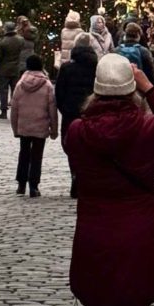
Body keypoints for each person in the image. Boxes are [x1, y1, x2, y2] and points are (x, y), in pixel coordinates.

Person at [63, 53, 154, 306]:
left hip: (95, 239)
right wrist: (150, 88)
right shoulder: (148, 130)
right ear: (132, 88)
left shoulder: (77, 133)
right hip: (139, 238)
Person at [9, 52, 58, 196]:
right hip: (40, 125)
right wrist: (54, 129)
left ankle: (21, 184)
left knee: (23, 153)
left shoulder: (20, 84)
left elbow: (14, 107)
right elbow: (52, 109)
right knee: (37, 156)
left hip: (24, 125)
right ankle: (34, 186)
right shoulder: (47, 85)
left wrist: (15, 127)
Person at [55, 38, 99, 198]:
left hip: (71, 114)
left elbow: (59, 92)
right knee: (89, 147)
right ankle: (86, 179)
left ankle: (75, 175)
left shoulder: (66, 68)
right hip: (91, 113)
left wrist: (64, 109)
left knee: (71, 146)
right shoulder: (96, 68)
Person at [0, 18, 26, 118]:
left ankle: (3, 111)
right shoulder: (20, 40)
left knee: (3, 91)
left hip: (4, 69)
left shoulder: (2, 41)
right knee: (15, 91)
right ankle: (16, 111)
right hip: (16, 68)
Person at [115, 20, 154, 85]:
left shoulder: (116, 51)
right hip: (139, 86)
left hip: (120, 86)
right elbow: (151, 73)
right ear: (138, 36)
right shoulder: (144, 51)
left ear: (125, 35)